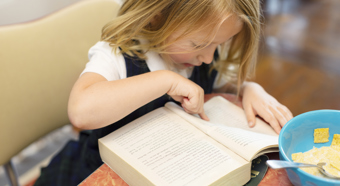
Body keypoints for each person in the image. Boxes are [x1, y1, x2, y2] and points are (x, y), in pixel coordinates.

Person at [34, 0, 293, 185]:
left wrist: (250, 88)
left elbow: (226, 84)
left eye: (219, 44)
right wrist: (165, 80)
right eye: (199, 44)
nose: (208, 57)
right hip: (97, 173)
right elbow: (81, 111)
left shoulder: (201, 54)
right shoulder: (117, 53)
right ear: (158, 15)